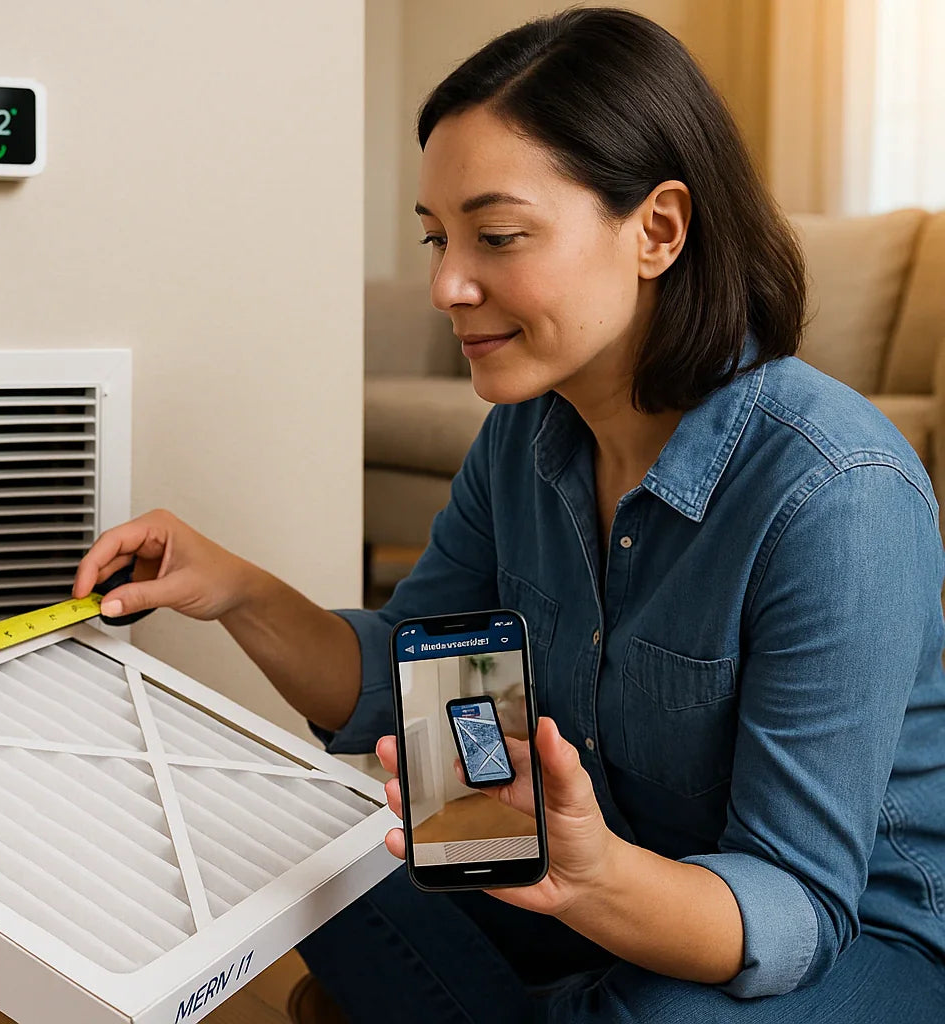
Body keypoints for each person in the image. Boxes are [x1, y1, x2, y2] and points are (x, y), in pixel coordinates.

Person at [71, 8, 945, 1022]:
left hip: (833, 942)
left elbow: (793, 912)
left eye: (496, 235)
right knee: (305, 848)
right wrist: (236, 591)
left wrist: (596, 879)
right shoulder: (526, 435)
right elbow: (408, 670)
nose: (447, 283)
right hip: (586, 881)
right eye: (438, 236)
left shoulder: (838, 490)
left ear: (657, 229)